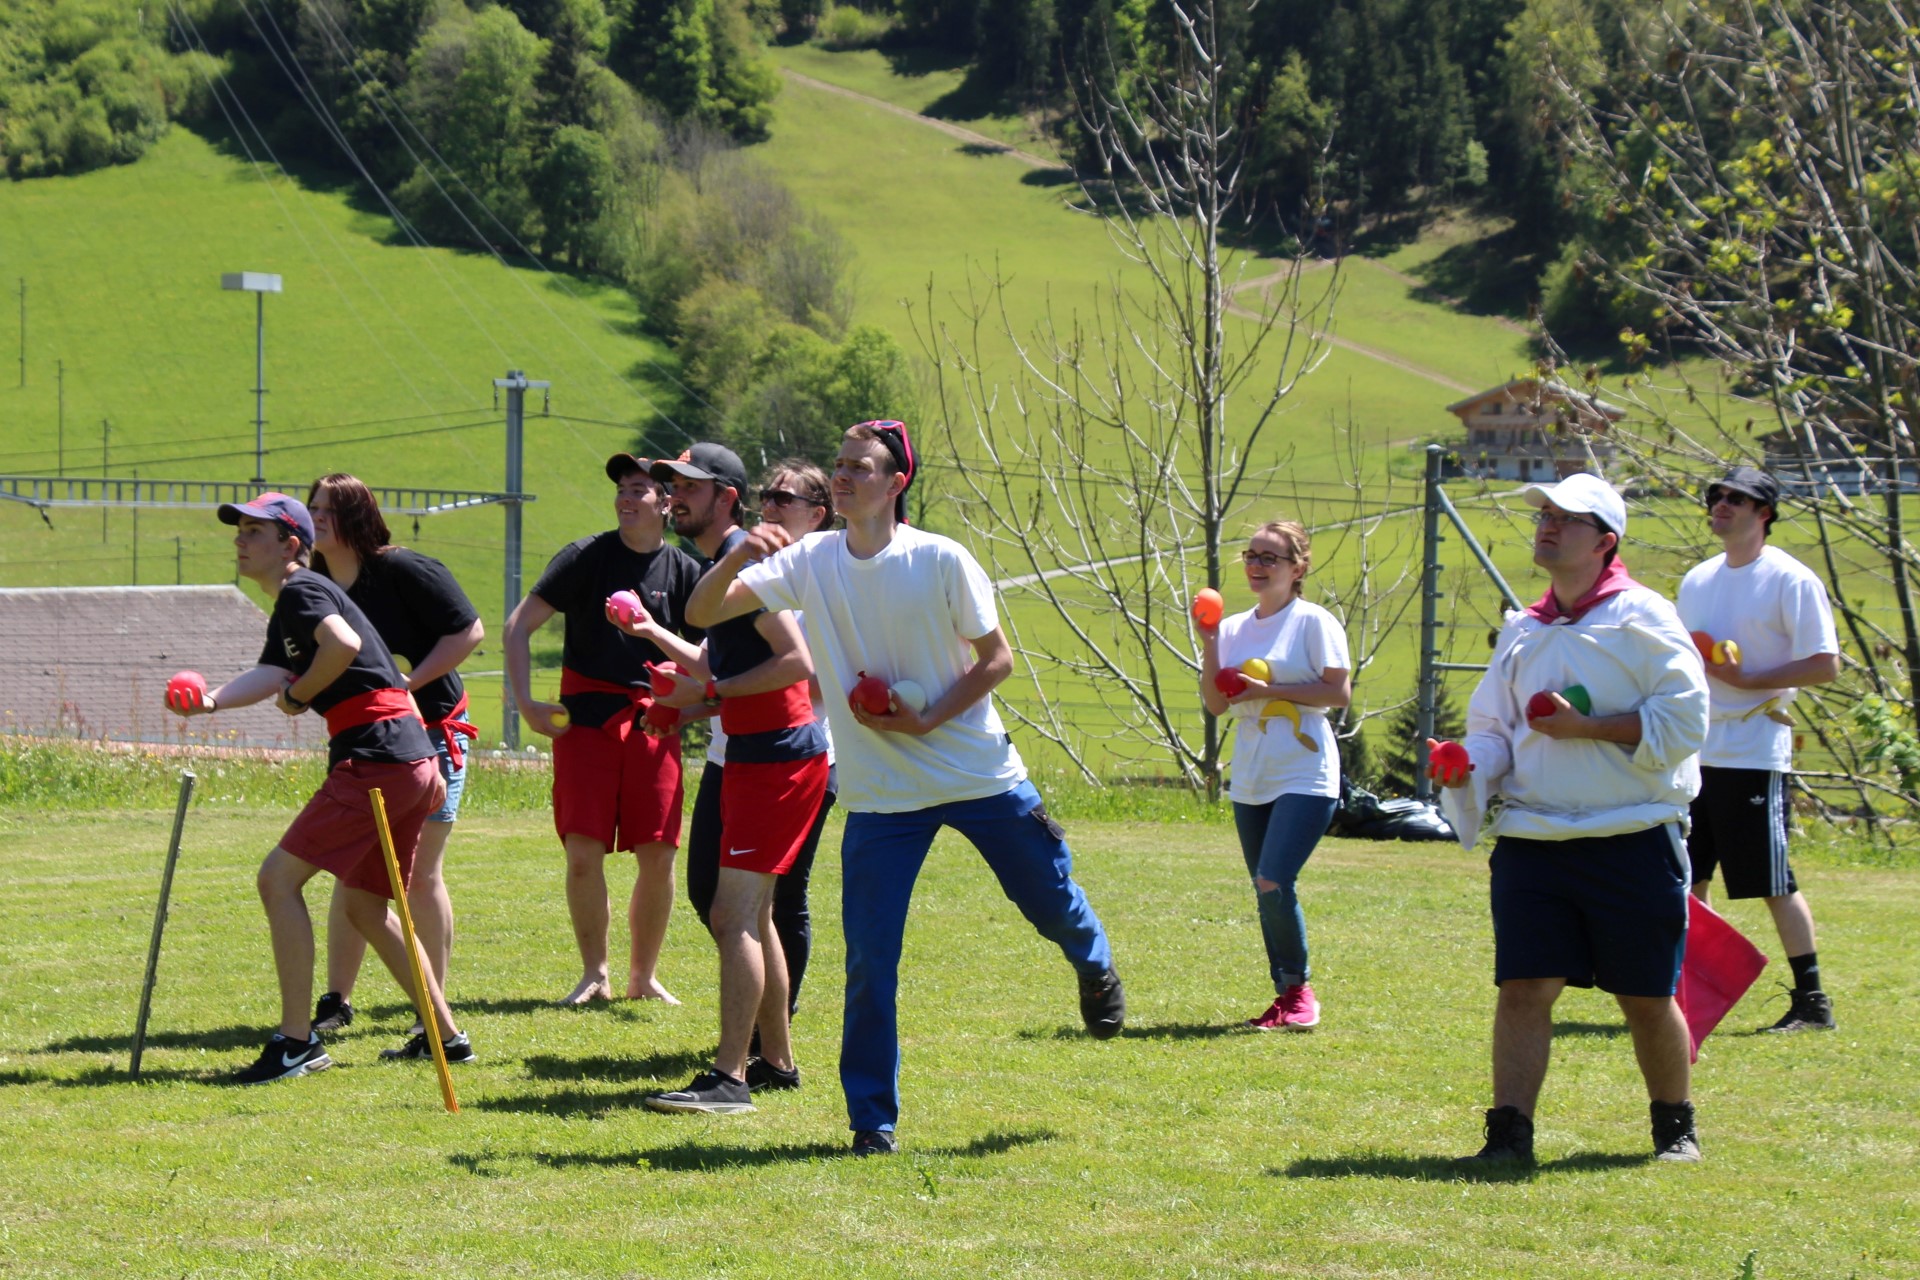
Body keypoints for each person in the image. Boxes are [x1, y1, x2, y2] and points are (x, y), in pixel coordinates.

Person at [686, 420, 1125, 1157]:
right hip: (881, 795)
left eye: (860, 467)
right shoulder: (811, 559)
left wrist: (927, 719)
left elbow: (996, 660)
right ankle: (872, 1123)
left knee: (1049, 900)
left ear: (896, 484)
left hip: (975, 773)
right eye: (839, 464)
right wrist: (736, 559)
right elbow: (701, 614)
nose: (843, 475)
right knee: (870, 960)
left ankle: (1093, 962)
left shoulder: (941, 559)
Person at [1431, 473, 1709, 1165]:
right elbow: (1495, 729)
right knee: (1524, 987)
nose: (1548, 526)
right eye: (1544, 515)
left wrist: (1588, 728)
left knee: (1644, 996)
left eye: (1567, 518)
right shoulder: (1523, 629)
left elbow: (1686, 721)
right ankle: (1507, 1138)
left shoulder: (1645, 617)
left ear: (1606, 541)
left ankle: (1675, 1129)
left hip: (1632, 835)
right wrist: (1469, 764)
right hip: (1533, 839)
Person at [165, 492, 470, 1081]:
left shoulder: (302, 590)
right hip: (409, 758)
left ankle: (296, 1043)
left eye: (255, 532)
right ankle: (447, 1036)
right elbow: (274, 671)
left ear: (291, 545)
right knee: (363, 905)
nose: (240, 540)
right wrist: (210, 703)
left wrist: (300, 696)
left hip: (376, 757)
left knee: (277, 880)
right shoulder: (299, 600)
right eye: (239, 530)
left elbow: (342, 647)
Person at [632, 444, 831, 1116]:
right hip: (759, 750)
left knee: (733, 913)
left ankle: (730, 1079)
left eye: (688, 487)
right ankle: (776, 1061)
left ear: (727, 497)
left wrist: (710, 693)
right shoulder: (730, 562)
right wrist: (688, 697)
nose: (673, 498)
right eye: (670, 486)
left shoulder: (749, 560)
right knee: (753, 913)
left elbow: (796, 661)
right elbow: (715, 649)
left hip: (778, 755)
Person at [503, 455, 704, 1005]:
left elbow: (710, 657)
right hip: (585, 725)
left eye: (639, 489)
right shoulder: (585, 557)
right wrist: (526, 704)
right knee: (582, 853)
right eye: (622, 489)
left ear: (666, 503)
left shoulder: (686, 572)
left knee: (659, 854)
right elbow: (517, 627)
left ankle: (644, 977)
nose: (625, 498)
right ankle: (595, 974)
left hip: (655, 724)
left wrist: (686, 704)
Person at [303, 474, 484, 1038]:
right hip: (364, 744)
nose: (316, 517)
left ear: (357, 517)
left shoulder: (404, 569)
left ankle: (431, 1012)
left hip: (431, 735)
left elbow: (469, 631)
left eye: (328, 508)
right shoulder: (315, 586)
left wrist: (409, 682)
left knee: (420, 874)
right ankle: (336, 1001)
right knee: (352, 864)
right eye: (312, 507)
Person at [1677, 466, 1841, 1033]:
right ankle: (1692, 995)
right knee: (1687, 877)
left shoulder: (1790, 579)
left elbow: (1825, 663)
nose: (1720, 504)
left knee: (1771, 881)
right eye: (1715, 495)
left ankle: (1812, 1002)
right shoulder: (1697, 579)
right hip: (1695, 749)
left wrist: (1750, 680)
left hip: (1752, 748)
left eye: (1736, 498)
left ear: (1764, 513)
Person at [1197, 520, 1350, 1031]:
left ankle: (1300, 992)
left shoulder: (1313, 622)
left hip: (1305, 769)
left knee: (1273, 878)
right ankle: (1287, 996)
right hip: (1253, 772)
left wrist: (1267, 691)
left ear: (1298, 568)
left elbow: (1337, 693)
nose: (1257, 565)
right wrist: (1210, 641)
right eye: (1251, 555)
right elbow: (1216, 704)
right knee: (1264, 887)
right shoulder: (1232, 628)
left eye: (1270, 557)